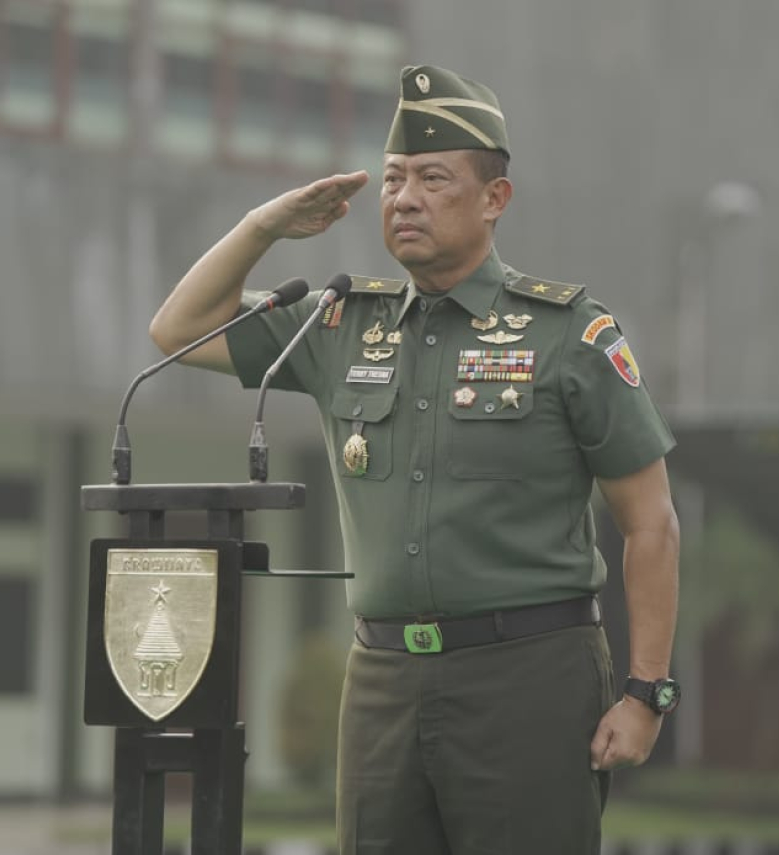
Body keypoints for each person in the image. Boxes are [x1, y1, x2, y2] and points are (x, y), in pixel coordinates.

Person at [150, 64, 680, 855]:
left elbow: (653, 526)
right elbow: (177, 329)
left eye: (433, 179)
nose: (403, 199)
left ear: (494, 199)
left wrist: (645, 694)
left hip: (528, 676)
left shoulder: (568, 335)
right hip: (383, 684)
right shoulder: (336, 322)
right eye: (394, 179)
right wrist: (264, 224)